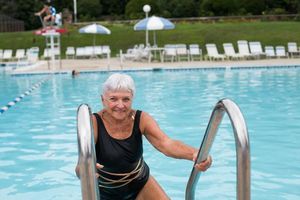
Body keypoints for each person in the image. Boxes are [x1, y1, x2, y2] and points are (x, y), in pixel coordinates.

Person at [76, 73, 212, 199]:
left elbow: (166, 144)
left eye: (126, 99)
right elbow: (79, 168)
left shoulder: (141, 119)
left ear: (132, 99)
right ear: (103, 100)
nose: (120, 105)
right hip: (105, 192)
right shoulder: (93, 123)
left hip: (140, 183)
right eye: (113, 99)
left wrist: (195, 154)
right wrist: (84, 171)